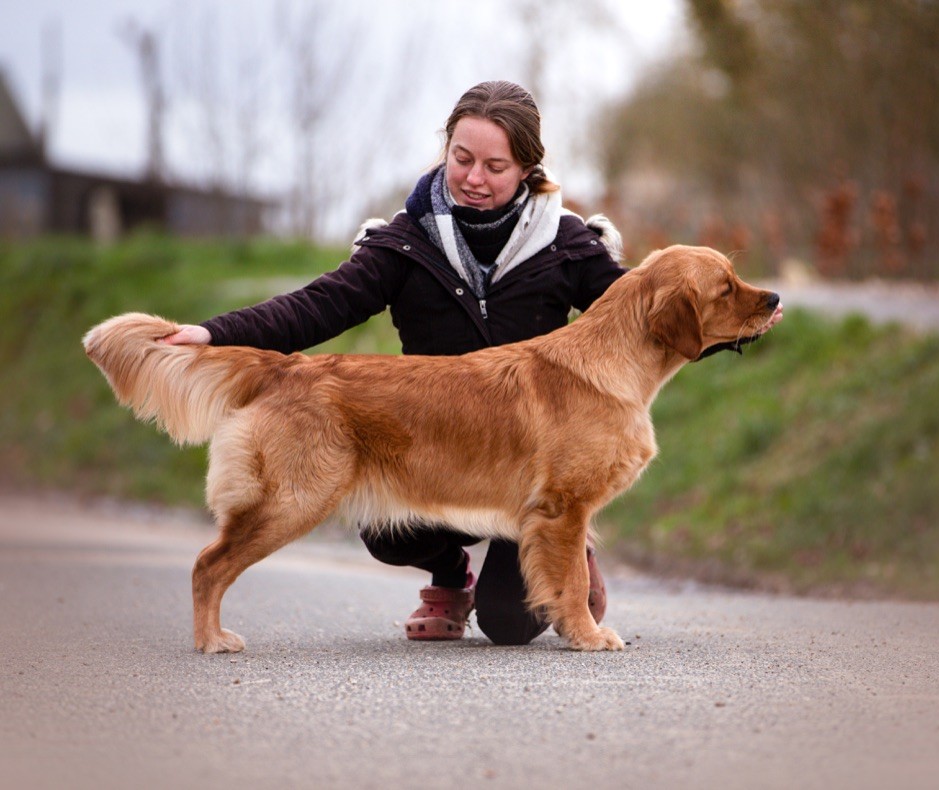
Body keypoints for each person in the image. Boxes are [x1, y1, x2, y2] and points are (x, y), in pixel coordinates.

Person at [160, 80, 627, 645]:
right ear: (445, 150)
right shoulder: (405, 242)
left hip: (528, 469)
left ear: (527, 168)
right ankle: (451, 576)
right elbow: (319, 306)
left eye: (495, 166)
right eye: (462, 159)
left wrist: (735, 318)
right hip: (430, 448)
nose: (474, 178)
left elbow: (641, 316)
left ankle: (572, 538)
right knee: (382, 528)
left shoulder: (568, 244)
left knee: (510, 623)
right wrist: (214, 334)